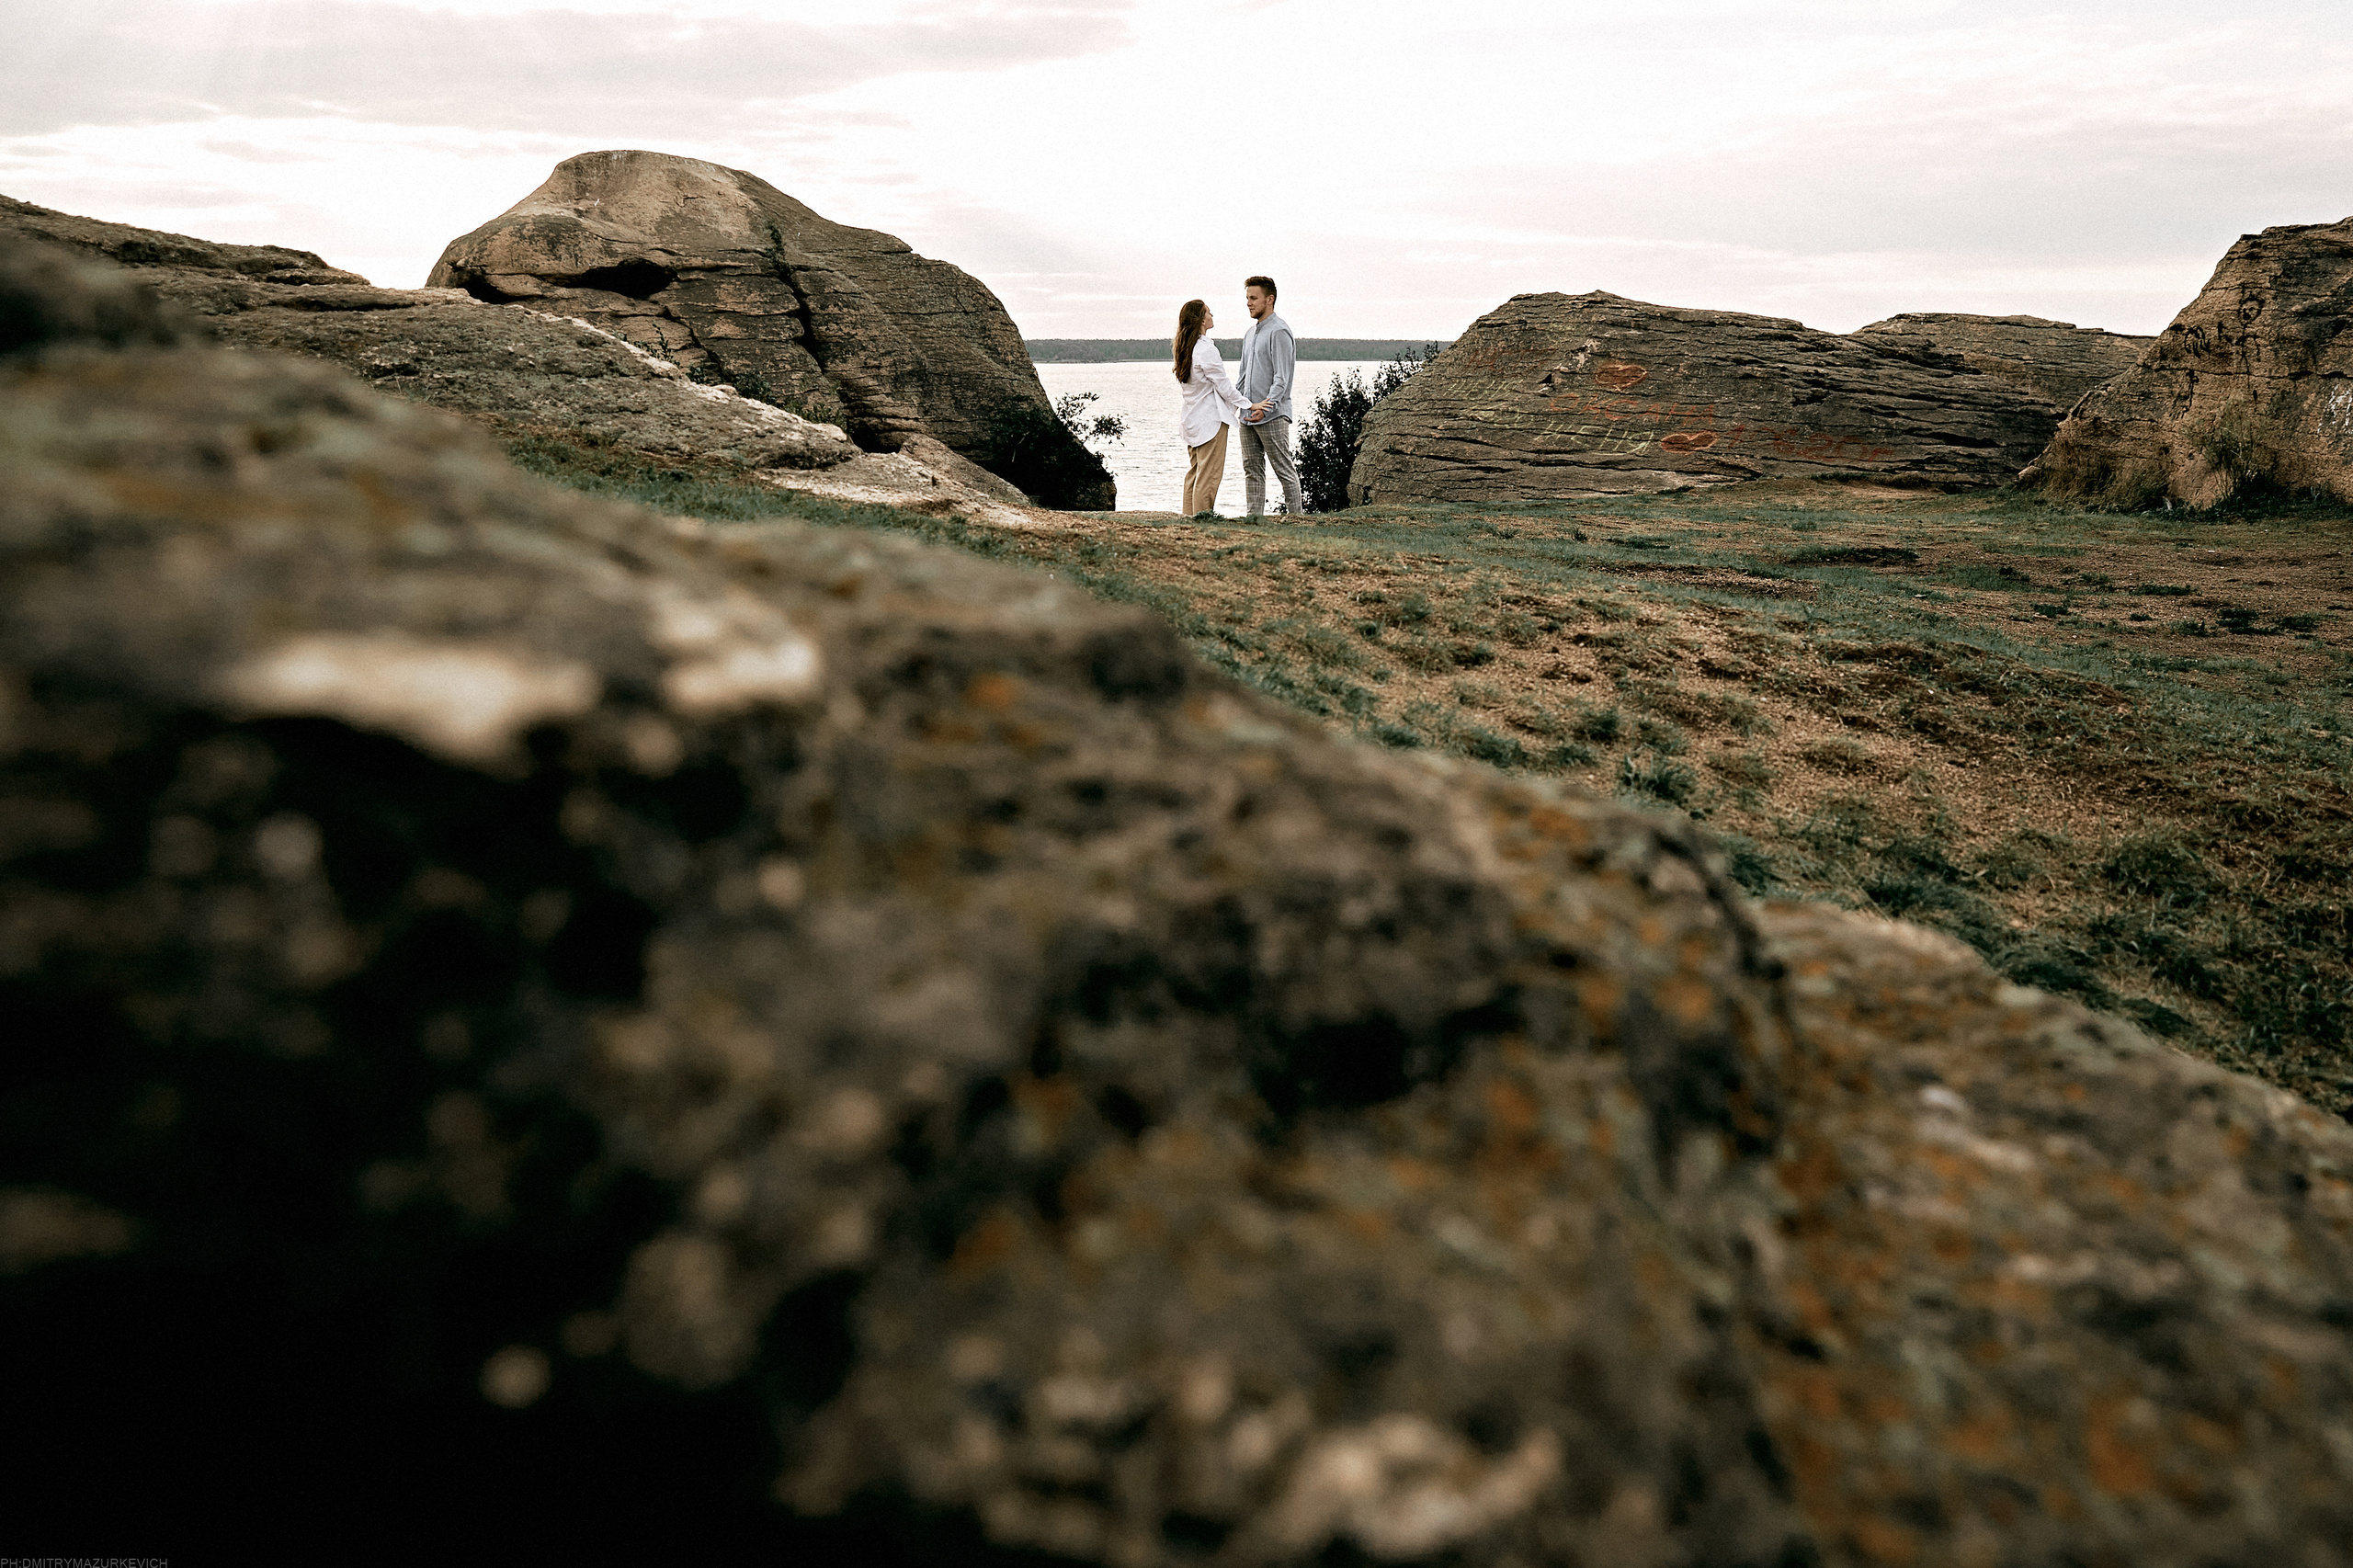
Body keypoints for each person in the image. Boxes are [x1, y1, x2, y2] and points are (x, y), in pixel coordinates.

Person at [1233, 275, 1302, 517]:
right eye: (1247, 298)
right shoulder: (1250, 334)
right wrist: (1237, 405)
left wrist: (1267, 408)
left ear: (1269, 299)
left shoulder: (1280, 331)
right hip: (1247, 415)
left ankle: (1296, 520)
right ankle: (1254, 521)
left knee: (1283, 469)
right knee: (1251, 469)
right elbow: (1242, 377)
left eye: (1254, 298)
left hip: (1272, 416)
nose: (1249, 303)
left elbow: (1282, 379)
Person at [1174, 297, 1247, 517]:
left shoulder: (1186, 348)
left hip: (1192, 421)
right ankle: (1202, 521)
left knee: (1195, 474)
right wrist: (1249, 403)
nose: (1212, 316)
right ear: (1201, 320)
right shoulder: (1205, 349)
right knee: (1208, 476)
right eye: (1208, 312)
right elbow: (1224, 386)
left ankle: (1189, 520)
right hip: (1210, 422)